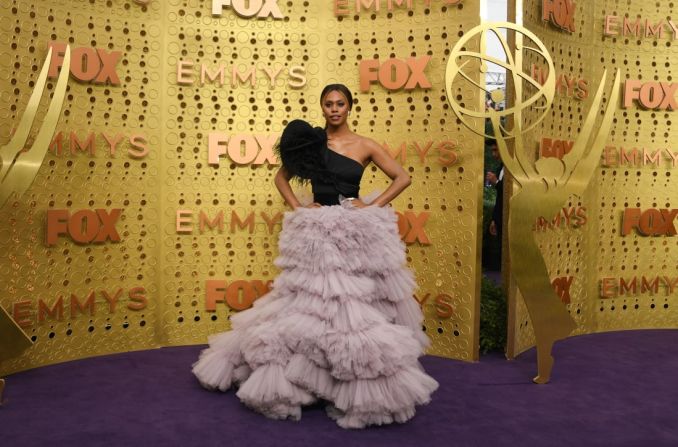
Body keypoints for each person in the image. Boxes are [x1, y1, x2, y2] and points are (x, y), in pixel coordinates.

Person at [192, 84, 438, 429]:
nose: (334, 109)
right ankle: (305, 378)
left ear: (350, 107)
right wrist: (300, 209)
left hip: (354, 232)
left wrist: (370, 206)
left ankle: (347, 381)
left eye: (340, 103)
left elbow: (402, 177)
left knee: (353, 307)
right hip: (317, 233)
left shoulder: (365, 145)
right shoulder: (313, 142)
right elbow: (282, 178)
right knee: (311, 305)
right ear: (322, 108)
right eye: (328, 104)